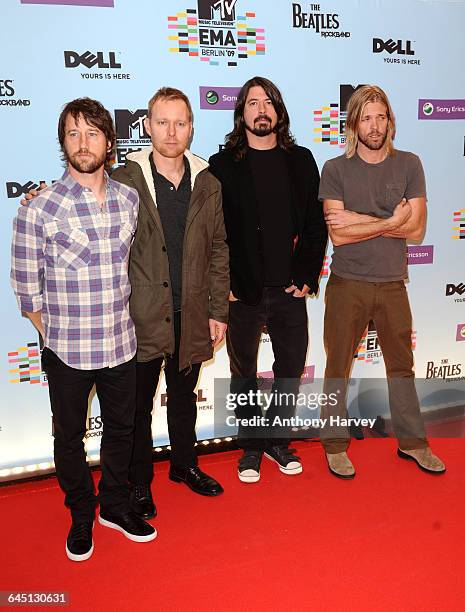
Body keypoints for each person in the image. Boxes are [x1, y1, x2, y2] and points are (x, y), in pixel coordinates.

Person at [11, 98, 156, 562]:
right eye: (73, 133)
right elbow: (25, 285)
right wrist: (51, 331)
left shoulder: (128, 199)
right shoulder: (39, 208)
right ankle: (80, 512)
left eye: (92, 133)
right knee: (68, 437)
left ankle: (114, 506)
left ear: (110, 143)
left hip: (120, 342)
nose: (83, 142)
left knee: (121, 431)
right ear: (62, 143)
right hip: (67, 350)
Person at [112, 88, 229, 518]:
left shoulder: (208, 181)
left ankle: (184, 466)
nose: (171, 131)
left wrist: (219, 311)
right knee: (138, 407)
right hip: (139, 315)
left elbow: (219, 249)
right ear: (147, 125)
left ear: (192, 127)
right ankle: (139, 482)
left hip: (192, 312)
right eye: (162, 122)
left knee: (183, 398)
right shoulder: (124, 179)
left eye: (180, 123)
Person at [318, 84, 445, 478]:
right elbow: (338, 234)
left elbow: (418, 227)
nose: (374, 125)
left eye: (381, 116)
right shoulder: (335, 169)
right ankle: (335, 445)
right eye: (366, 117)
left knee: (402, 367)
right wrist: (392, 221)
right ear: (353, 123)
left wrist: (363, 221)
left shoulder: (410, 164)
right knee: (338, 366)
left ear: (390, 121)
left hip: (392, 284)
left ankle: (413, 442)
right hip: (347, 283)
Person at [209, 77, 327, 483]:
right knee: (243, 370)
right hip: (241, 290)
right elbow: (213, 231)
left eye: (268, 102)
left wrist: (307, 274)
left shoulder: (302, 160)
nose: (261, 110)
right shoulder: (222, 165)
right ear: (241, 113)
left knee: (290, 367)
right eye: (253, 103)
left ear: (279, 111)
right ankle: (251, 446)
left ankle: (277, 440)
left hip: (290, 288)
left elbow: (315, 225)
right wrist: (222, 281)